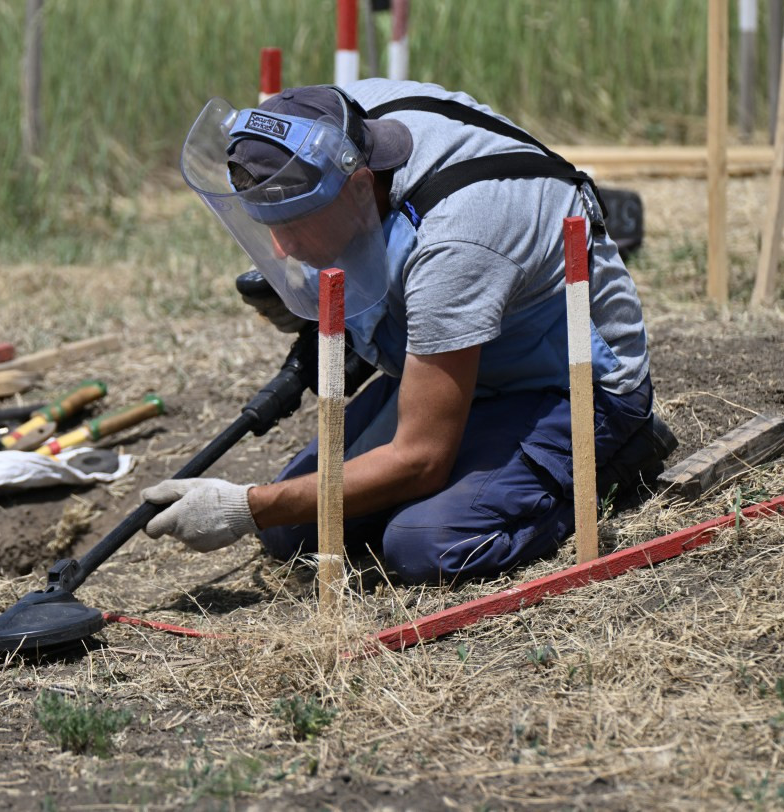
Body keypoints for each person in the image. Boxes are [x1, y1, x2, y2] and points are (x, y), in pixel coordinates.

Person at [142, 79, 675, 585]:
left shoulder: (459, 238)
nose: (279, 250)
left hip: (570, 385)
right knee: (293, 531)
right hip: (464, 358)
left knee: (425, 544)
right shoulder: (338, 119)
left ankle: (618, 455)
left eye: (293, 224)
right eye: (269, 225)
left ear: (354, 187)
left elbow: (420, 459)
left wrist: (244, 507)